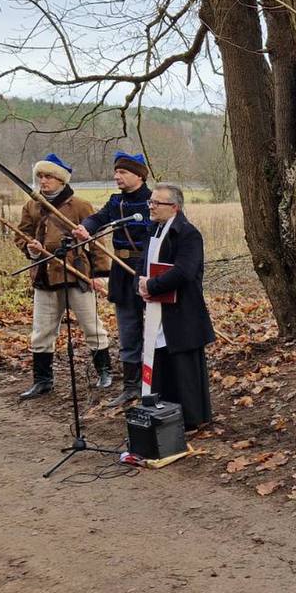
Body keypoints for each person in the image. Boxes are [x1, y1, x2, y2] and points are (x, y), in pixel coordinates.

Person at [15, 153, 112, 399]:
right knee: (42, 330)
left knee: (92, 327)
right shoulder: (31, 205)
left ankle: (104, 372)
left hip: (77, 274)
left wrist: (101, 274)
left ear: (60, 179)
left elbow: (98, 239)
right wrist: (31, 247)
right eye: (40, 176)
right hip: (45, 276)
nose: (43, 181)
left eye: (48, 176)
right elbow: (21, 235)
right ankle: (43, 380)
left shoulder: (79, 206)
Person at [74, 151, 152, 408]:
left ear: (139, 175)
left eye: (123, 172)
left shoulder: (153, 200)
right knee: (128, 329)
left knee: (153, 331)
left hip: (148, 269)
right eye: (116, 172)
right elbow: (98, 218)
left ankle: (154, 384)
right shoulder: (115, 202)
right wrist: (87, 227)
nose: (117, 176)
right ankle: (131, 387)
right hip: (121, 269)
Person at [138, 184, 215, 431]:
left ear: (174, 207)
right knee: (162, 363)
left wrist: (153, 285)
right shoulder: (154, 230)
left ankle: (191, 417)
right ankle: (165, 413)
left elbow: (184, 271)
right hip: (157, 310)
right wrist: (140, 285)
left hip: (183, 312)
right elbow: (143, 266)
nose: (151, 207)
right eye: (150, 202)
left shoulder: (188, 234)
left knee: (184, 367)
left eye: (156, 203)